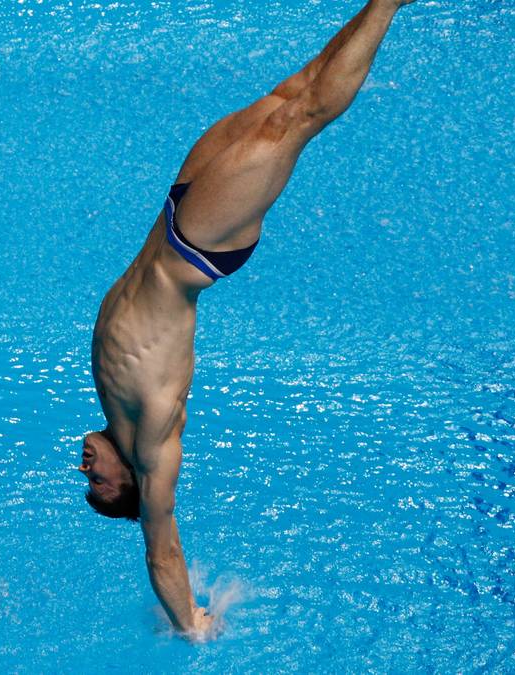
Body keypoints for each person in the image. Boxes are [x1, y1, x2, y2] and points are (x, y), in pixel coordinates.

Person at [77, 0, 416, 639]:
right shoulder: (154, 454)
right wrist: (189, 622)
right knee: (301, 117)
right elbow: (161, 550)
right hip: (196, 246)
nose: (85, 472)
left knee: (290, 92)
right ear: (128, 485)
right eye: (97, 486)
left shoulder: (115, 410)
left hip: (177, 212)